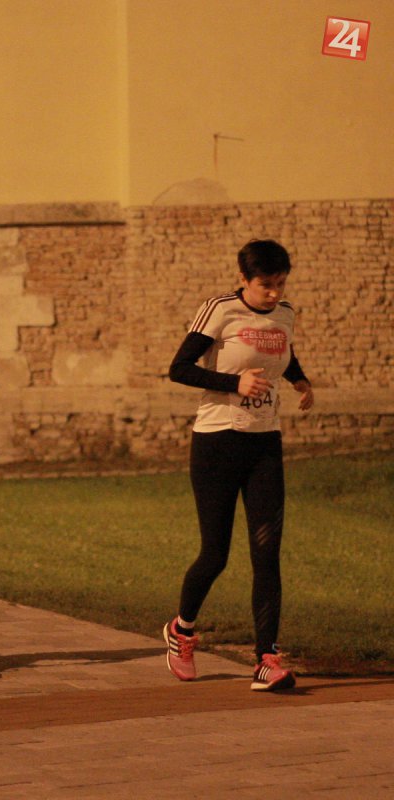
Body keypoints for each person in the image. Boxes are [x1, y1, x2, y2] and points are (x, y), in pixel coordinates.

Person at [162, 239, 314, 692]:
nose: (274, 292)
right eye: (266, 284)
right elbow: (179, 368)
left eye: (280, 283)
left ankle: (266, 659)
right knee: (215, 554)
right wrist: (234, 382)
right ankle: (182, 630)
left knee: (267, 554)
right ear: (244, 279)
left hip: (264, 443)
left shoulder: (284, 314)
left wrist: (300, 379)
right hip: (217, 442)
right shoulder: (220, 310)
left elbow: (282, 352)